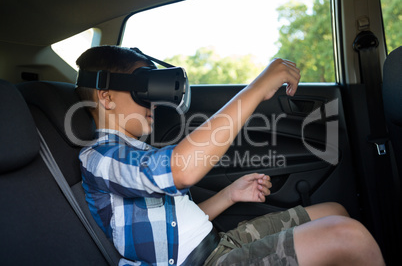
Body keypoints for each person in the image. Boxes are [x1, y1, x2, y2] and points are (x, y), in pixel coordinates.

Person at [76, 45, 384, 266]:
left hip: (219, 243)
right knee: (350, 237)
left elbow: (177, 225)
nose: (153, 105)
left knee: (334, 212)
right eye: (144, 93)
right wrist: (257, 87)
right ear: (105, 97)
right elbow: (181, 169)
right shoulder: (100, 159)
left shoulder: (137, 151)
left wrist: (229, 195)